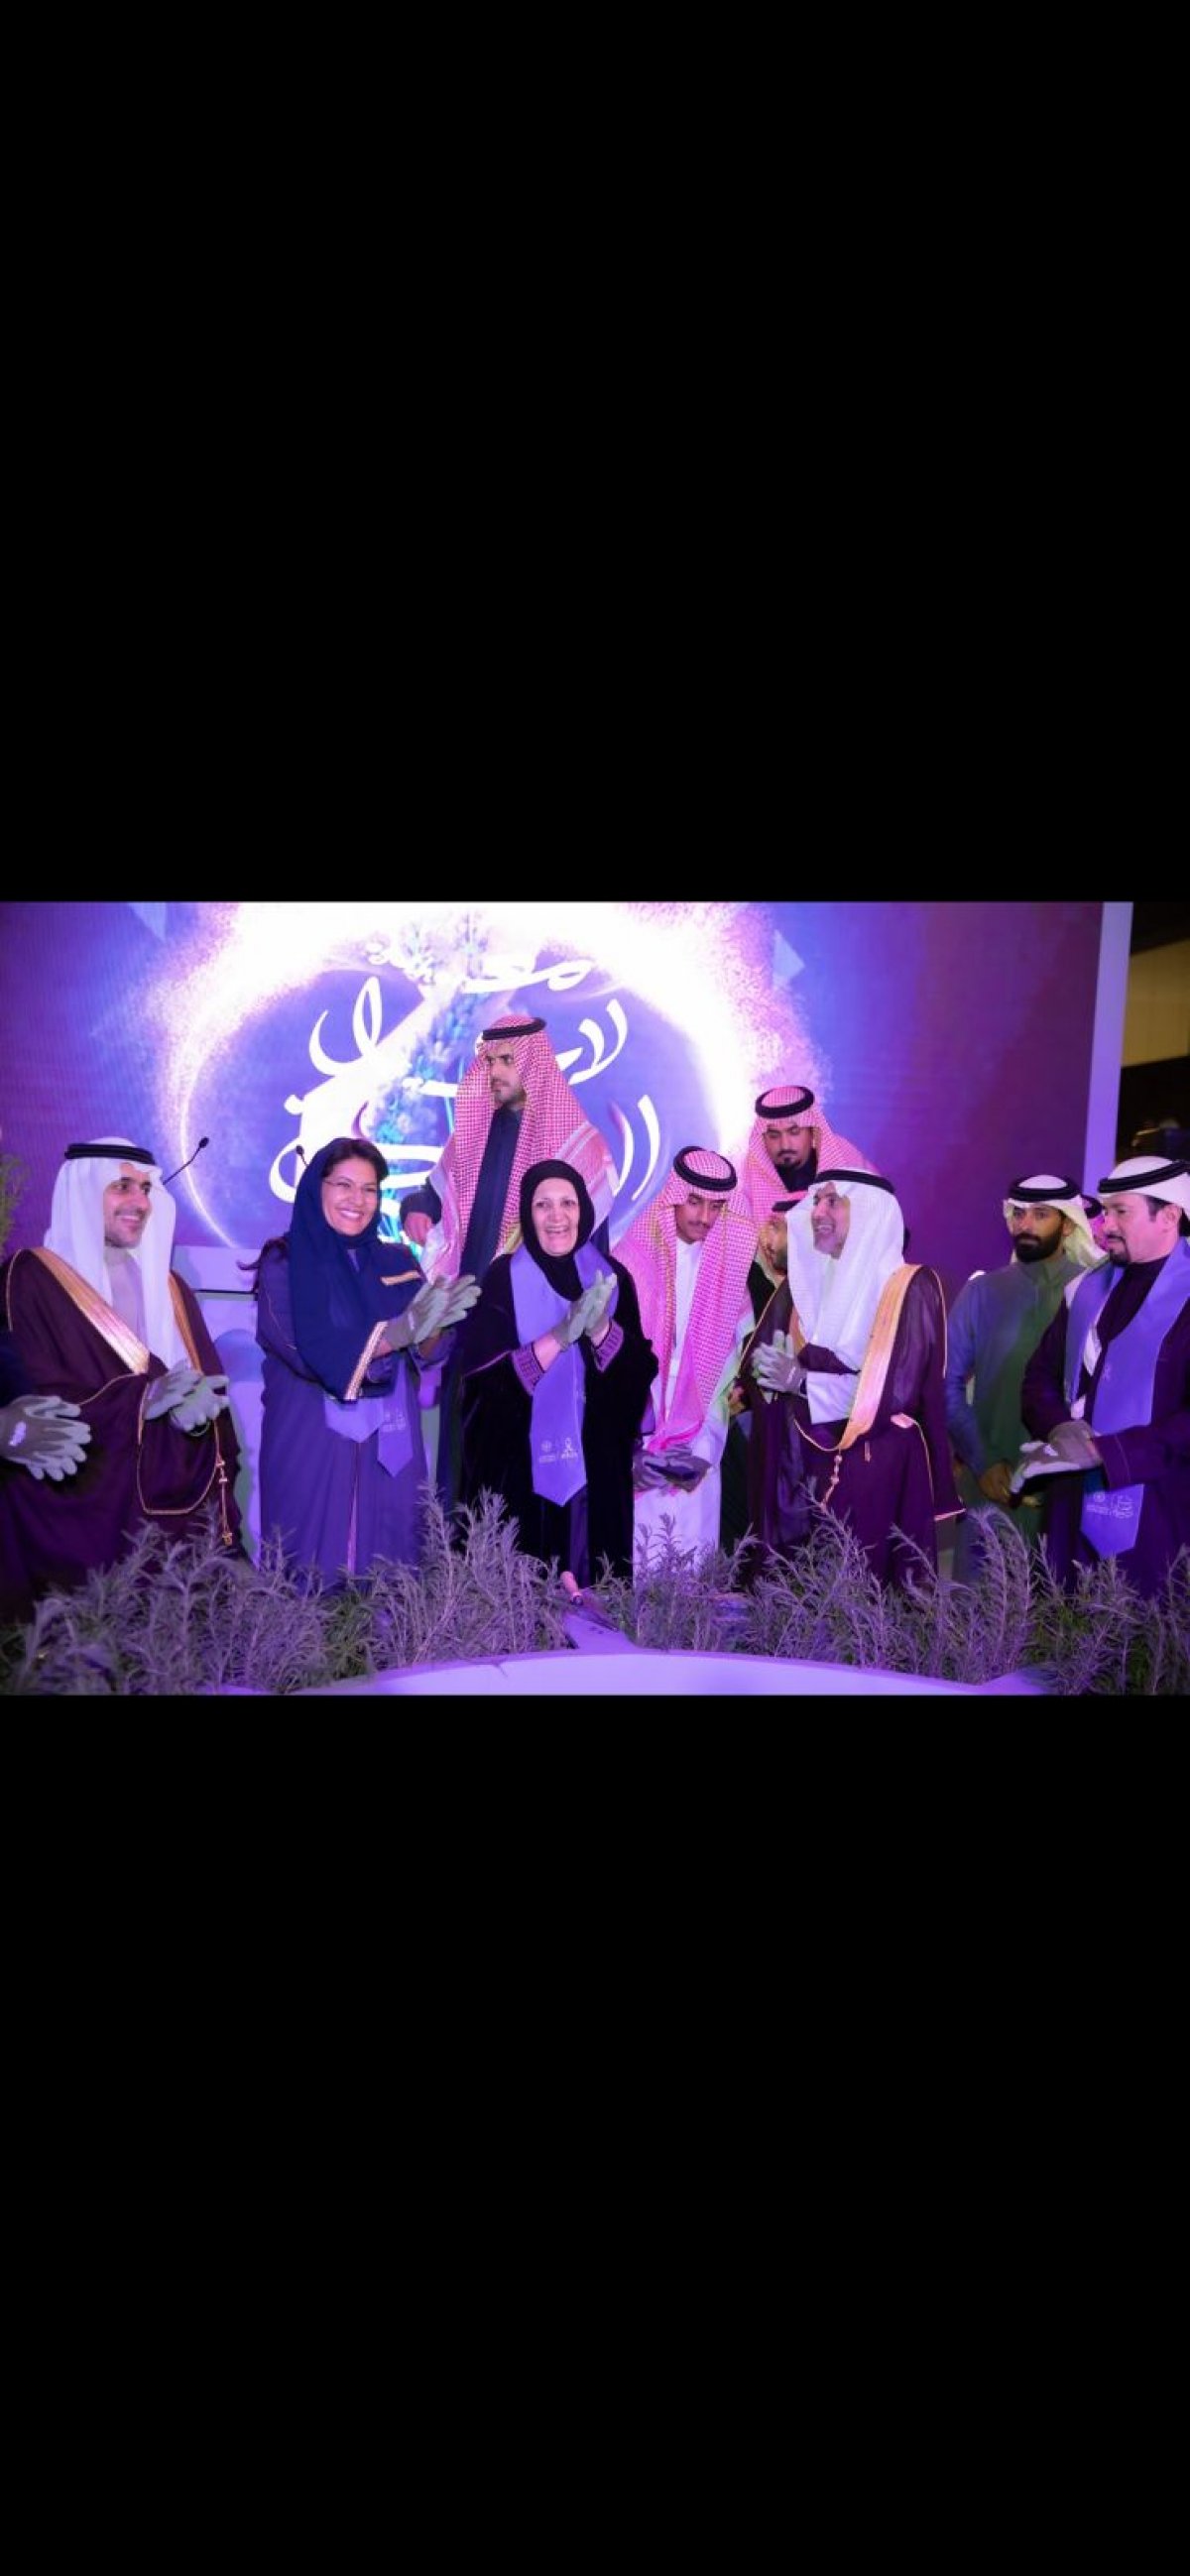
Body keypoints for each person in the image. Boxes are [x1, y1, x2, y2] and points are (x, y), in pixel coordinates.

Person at [0, 1137, 240, 1623]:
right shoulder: (29, 1279)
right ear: (84, 1192)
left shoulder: (171, 1289)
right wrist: (139, 1402)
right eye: (122, 1186)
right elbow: (34, 1408)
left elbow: (205, 1397)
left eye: (146, 1189)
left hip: (165, 1511)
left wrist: (194, 1418)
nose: (140, 1203)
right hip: (73, 1515)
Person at [399, 1013, 618, 1508]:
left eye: (505, 1061)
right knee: (466, 1448)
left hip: (542, 1323)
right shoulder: (476, 1130)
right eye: (489, 1061)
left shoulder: (576, 1143)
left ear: (534, 1064)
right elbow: (436, 1191)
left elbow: (594, 1245)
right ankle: (462, 1549)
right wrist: (416, 1208)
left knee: (529, 1452)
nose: (493, 1071)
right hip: (474, 1316)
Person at [252, 1136, 479, 1585]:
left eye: (370, 1189)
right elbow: (302, 1350)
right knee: (308, 1574)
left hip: (389, 1451)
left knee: (392, 1577)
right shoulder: (286, 1262)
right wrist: (392, 1336)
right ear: (317, 1188)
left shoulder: (397, 1260)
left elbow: (428, 1354)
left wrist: (435, 1326)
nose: (357, 1200)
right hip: (312, 1444)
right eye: (344, 1185)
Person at [740, 1168, 960, 1586]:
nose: (818, 1212)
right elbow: (761, 1362)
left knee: (862, 1596)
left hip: (877, 1467)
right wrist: (765, 1372)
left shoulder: (908, 1287)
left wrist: (802, 1382)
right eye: (816, 1201)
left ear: (869, 1212)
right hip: (804, 1466)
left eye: (833, 1202)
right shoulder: (804, 1282)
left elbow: (899, 1389)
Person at [457, 1159, 657, 1595]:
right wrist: (557, 1339)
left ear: (583, 1209)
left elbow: (637, 1382)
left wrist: (602, 1330)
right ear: (527, 1214)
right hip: (519, 1480)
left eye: (567, 1203)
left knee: (600, 1604)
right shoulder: (502, 1280)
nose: (556, 1216)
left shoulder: (612, 1278)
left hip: (597, 1481)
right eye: (542, 1204)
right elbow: (479, 1392)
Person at [1017, 1153, 1190, 1598]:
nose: (1105, 1225)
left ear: (1169, 1215)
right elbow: (1039, 1377)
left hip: (1159, 1511)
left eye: (1120, 1212)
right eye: (1106, 1211)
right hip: (1070, 1505)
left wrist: (1106, 1452)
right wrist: (1061, 1429)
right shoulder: (1086, 1288)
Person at [944, 1175, 1103, 1579]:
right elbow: (946, 1384)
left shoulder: (1095, 1293)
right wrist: (982, 1461)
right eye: (1018, 1213)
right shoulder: (981, 1291)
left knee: (1060, 1608)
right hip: (990, 1488)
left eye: (1040, 1214)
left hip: (1067, 1494)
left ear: (1067, 1224)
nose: (1025, 1224)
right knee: (979, 1607)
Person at [616, 1146, 758, 1563]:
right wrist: (630, 1444)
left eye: (716, 1206)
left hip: (700, 1424)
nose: (705, 1217)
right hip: (642, 1417)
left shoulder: (728, 1269)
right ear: (675, 1197)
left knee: (693, 1548)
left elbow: (727, 1371)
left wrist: (707, 1445)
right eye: (695, 1201)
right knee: (639, 1550)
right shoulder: (632, 1260)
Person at [720, 1194, 798, 1552]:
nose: (768, 1241)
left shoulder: (811, 1294)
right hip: (753, 1435)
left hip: (799, 1448)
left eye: (779, 1230)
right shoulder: (763, 1285)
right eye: (769, 1228)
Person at [737, 1083, 875, 1228]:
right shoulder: (751, 1172)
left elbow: (876, 1214)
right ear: (763, 1138)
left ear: (812, 1131)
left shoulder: (843, 1156)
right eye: (774, 1135)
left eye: (794, 1132)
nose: (785, 1145)